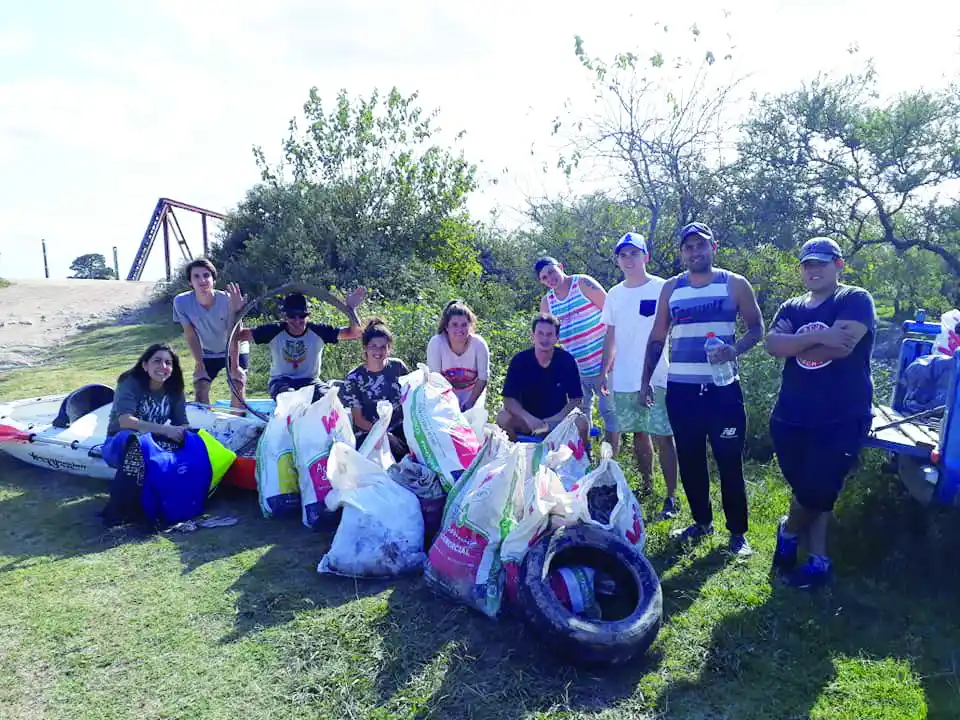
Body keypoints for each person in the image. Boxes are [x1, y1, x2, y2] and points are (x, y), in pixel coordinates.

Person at [642, 222, 765, 557]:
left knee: (729, 461)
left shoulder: (735, 284)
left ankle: (737, 533)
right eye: (689, 247)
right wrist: (644, 381)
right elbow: (657, 337)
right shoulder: (671, 288)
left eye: (701, 245)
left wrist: (734, 350)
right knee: (690, 459)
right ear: (682, 253)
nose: (695, 252)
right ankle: (701, 522)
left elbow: (757, 328)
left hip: (722, 390)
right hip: (682, 391)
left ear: (714, 247)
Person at [764, 237, 877, 589]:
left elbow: (842, 348)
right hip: (790, 416)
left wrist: (794, 343)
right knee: (812, 493)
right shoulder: (792, 306)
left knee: (817, 490)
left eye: (821, 263)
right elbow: (772, 344)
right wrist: (819, 337)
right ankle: (818, 562)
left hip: (841, 416)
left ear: (838, 265)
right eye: (807, 265)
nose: (813, 270)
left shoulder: (854, 299)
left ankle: (788, 533)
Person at [600, 232, 679, 519]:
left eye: (634, 253)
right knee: (637, 433)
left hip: (657, 376)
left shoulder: (662, 288)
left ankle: (672, 497)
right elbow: (611, 335)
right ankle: (647, 486)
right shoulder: (614, 294)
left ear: (646, 256)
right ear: (618, 261)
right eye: (623, 255)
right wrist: (603, 370)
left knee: (663, 435)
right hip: (624, 378)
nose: (628, 259)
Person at [536, 256, 620, 446]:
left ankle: (610, 458)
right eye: (544, 277)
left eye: (551, 271)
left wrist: (611, 358)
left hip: (605, 363)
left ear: (560, 266)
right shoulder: (547, 302)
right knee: (579, 416)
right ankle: (584, 457)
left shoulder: (582, 283)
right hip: (576, 370)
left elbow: (613, 315)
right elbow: (547, 337)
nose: (550, 278)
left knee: (610, 413)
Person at [236, 289, 366, 400]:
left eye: (302, 315)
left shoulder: (318, 331)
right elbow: (239, 335)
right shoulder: (274, 331)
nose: (297, 321)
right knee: (289, 397)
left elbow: (355, 333)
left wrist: (351, 309)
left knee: (328, 399)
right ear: (285, 316)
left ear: (308, 316)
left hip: (311, 381)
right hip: (281, 381)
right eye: (292, 316)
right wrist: (238, 312)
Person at [496, 313, 589, 447]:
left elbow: (576, 399)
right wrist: (528, 418)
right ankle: (515, 453)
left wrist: (555, 420)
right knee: (502, 417)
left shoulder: (566, 361)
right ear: (532, 336)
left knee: (582, 421)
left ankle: (585, 456)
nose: (544, 339)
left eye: (549, 334)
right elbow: (508, 399)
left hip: (557, 420)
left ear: (557, 338)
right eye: (540, 333)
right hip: (527, 421)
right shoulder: (520, 361)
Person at [172, 258, 247, 408]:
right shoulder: (181, 302)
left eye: (206, 275)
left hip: (234, 348)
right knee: (200, 388)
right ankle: (205, 421)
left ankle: (238, 419)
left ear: (213, 279)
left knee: (237, 385)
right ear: (190, 282)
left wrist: (235, 367)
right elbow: (190, 334)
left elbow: (234, 334)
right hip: (207, 352)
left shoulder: (227, 300)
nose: (202, 280)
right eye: (196, 276)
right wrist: (199, 364)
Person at [340, 318, 411, 461]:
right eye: (373, 346)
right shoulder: (354, 378)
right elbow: (359, 420)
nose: (378, 351)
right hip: (370, 432)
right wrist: (382, 435)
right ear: (365, 348)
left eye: (383, 347)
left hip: (400, 428)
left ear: (389, 348)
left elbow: (410, 399)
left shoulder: (398, 367)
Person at [105, 343, 191, 446]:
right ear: (145, 365)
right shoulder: (130, 382)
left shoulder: (175, 387)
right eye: (157, 361)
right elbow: (125, 420)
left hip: (154, 441)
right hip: (122, 441)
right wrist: (166, 430)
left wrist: (182, 432)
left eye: (168, 363)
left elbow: (182, 423)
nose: (163, 366)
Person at [426, 300, 490, 411]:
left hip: (473, 394)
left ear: (470, 326)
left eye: (464, 325)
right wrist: (449, 405)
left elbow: (482, 378)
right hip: (444, 396)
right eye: (454, 325)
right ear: (447, 327)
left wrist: (469, 404)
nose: (459, 330)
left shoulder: (479, 344)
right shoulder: (436, 343)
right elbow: (435, 379)